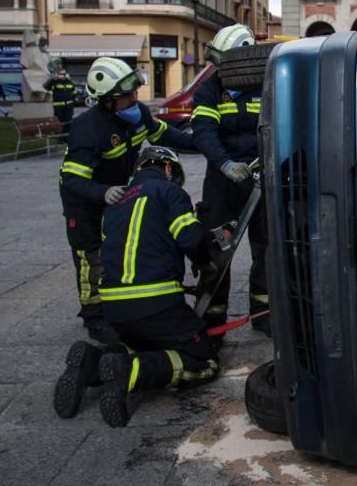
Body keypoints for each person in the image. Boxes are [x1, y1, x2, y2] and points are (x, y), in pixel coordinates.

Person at [52, 147, 220, 427]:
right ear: (168, 169)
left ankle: (92, 363)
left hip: (115, 309)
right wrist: (206, 263)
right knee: (203, 359)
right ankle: (129, 371)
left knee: (144, 345)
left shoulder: (114, 203)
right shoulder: (170, 193)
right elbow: (190, 240)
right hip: (158, 303)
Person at [59, 57, 193, 343]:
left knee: (113, 252)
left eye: (134, 93)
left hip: (115, 196)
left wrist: (202, 142)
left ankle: (113, 304)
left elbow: (164, 134)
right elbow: (73, 179)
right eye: (126, 96)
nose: (134, 100)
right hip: (83, 203)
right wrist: (102, 192)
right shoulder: (88, 129)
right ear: (106, 100)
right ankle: (94, 317)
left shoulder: (137, 113)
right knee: (89, 258)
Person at [190, 24, 271, 335]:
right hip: (223, 182)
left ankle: (263, 314)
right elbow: (204, 134)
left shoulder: (268, 86)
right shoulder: (209, 89)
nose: (221, 68)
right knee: (217, 248)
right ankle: (213, 319)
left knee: (266, 248)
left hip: (260, 178)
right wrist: (224, 164)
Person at [43, 67, 78, 135]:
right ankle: (59, 137)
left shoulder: (69, 82)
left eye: (64, 74)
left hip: (69, 107)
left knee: (68, 122)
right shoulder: (55, 82)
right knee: (59, 122)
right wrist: (53, 79)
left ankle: (67, 137)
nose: (62, 76)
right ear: (58, 75)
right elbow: (46, 87)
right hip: (58, 107)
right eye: (61, 74)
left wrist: (72, 103)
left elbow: (74, 93)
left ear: (66, 74)